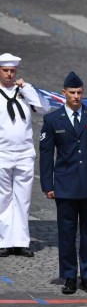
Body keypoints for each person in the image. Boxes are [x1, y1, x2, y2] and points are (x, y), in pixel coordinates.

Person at [39, 72, 87, 295]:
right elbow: (46, 154)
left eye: (79, 92)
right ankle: (70, 276)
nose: (76, 96)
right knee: (67, 233)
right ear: (64, 93)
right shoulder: (52, 120)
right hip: (66, 185)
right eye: (72, 93)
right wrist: (47, 185)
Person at [0, 53, 50, 258]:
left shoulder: (24, 93)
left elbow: (45, 108)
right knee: (2, 198)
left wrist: (26, 88)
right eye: (5, 70)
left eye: (12, 71)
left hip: (24, 153)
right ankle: (3, 241)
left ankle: (20, 241)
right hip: (1, 152)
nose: (10, 74)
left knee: (23, 198)